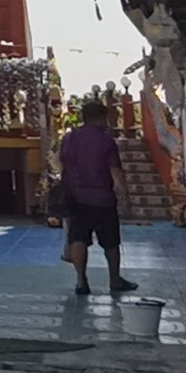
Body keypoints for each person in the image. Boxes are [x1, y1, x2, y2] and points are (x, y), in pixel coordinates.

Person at [58, 98, 135, 296]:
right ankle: (114, 280)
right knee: (110, 242)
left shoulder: (69, 138)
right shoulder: (105, 140)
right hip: (102, 198)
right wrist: (124, 198)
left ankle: (81, 281)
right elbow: (115, 171)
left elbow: (62, 166)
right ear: (102, 118)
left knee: (78, 238)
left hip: (75, 197)